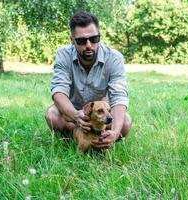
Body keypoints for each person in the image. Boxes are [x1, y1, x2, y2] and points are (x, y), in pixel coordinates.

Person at [45, 11, 131, 150]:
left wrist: (115, 132)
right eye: (81, 41)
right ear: (72, 40)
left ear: (99, 37)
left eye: (94, 38)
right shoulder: (63, 54)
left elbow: (119, 96)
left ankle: (104, 139)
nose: (89, 45)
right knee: (52, 115)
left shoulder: (114, 58)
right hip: (72, 114)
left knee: (125, 123)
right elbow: (58, 91)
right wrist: (75, 115)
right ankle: (73, 139)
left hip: (101, 116)